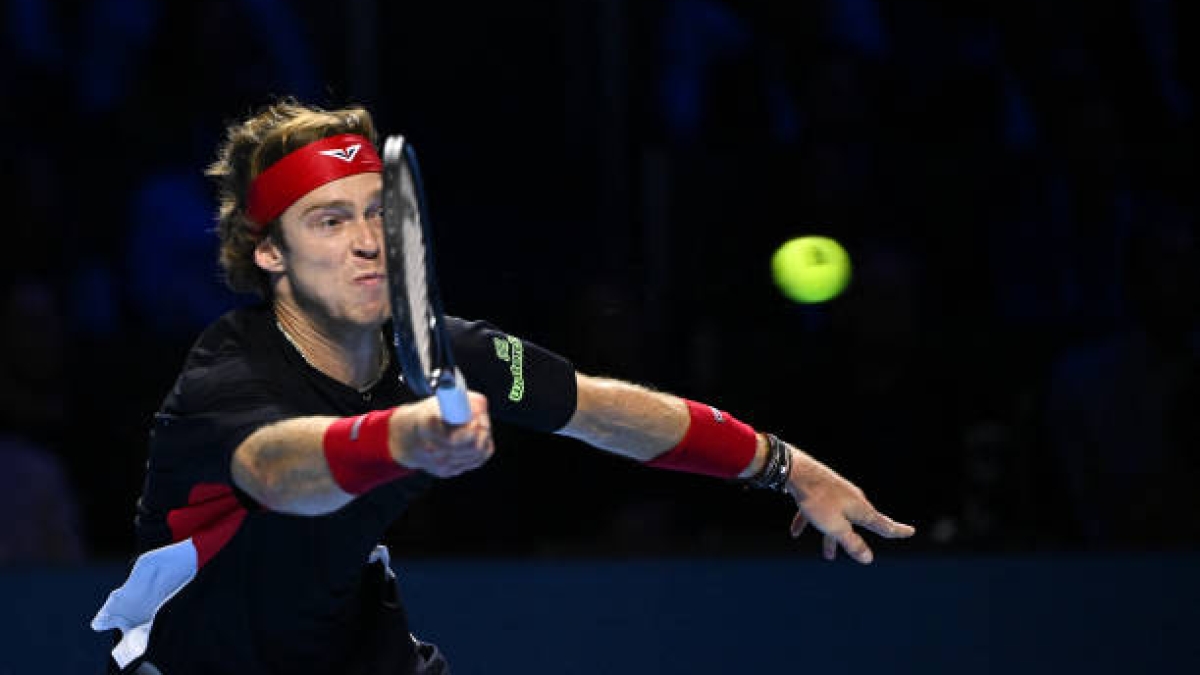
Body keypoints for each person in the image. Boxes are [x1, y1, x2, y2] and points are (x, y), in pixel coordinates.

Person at [91, 100, 915, 675]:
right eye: (330, 221)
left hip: (362, 656)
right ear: (268, 252)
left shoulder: (452, 352)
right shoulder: (225, 373)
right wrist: (406, 438)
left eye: (378, 213)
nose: (369, 241)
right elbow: (277, 469)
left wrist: (785, 466)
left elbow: (604, 410)